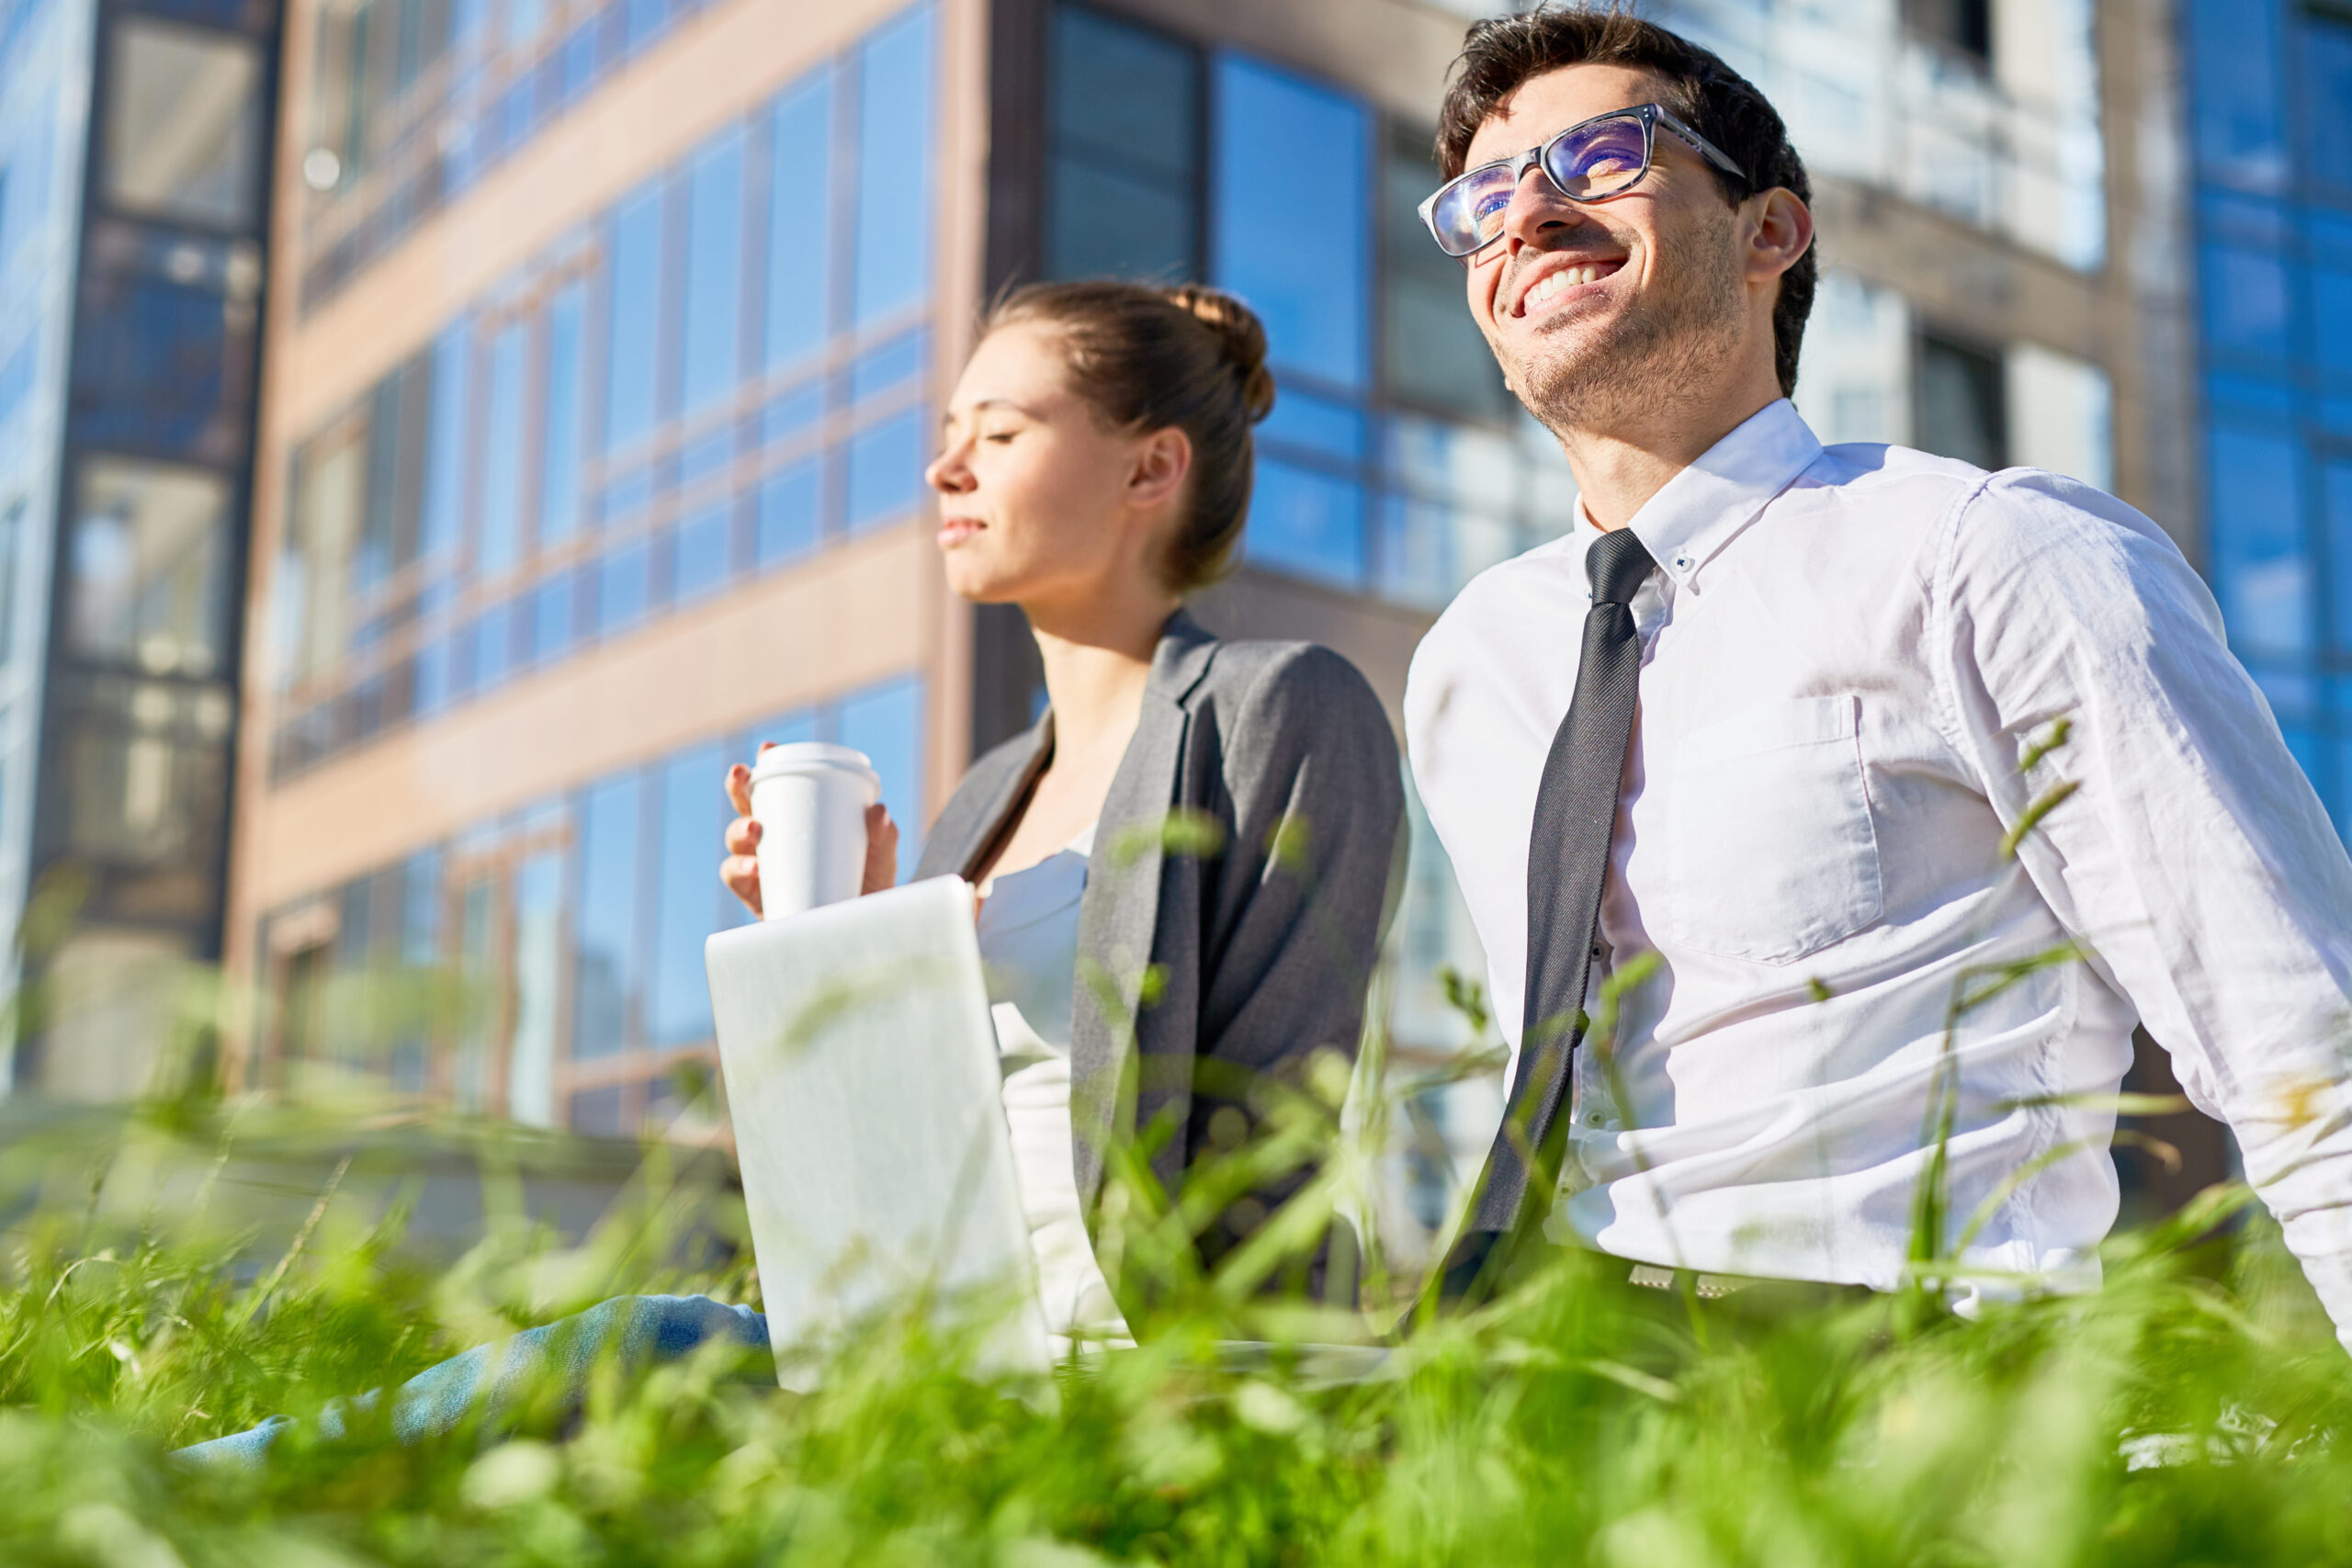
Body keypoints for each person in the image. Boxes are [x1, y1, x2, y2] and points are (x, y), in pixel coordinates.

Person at [181, 283, 1402, 1463]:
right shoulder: (982, 799)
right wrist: (838, 955)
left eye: (1002, 432)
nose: (947, 469)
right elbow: (871, 1184)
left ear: (1151, 469)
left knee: (646, 1342)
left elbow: (1274, 1138)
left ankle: (151, 1510)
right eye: (946, 435)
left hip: (1122, 1387)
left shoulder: (1275, 709)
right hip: (910, 1357)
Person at [1402, 9, 2352, 1346]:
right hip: (1554, 1387)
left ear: (1769, 234)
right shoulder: (1475, 658)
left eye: (1602, 155)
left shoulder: (1990, 555)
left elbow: (2300, 1040)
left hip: (1906, 1392)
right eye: (1484, 199)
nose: (1528, 215)